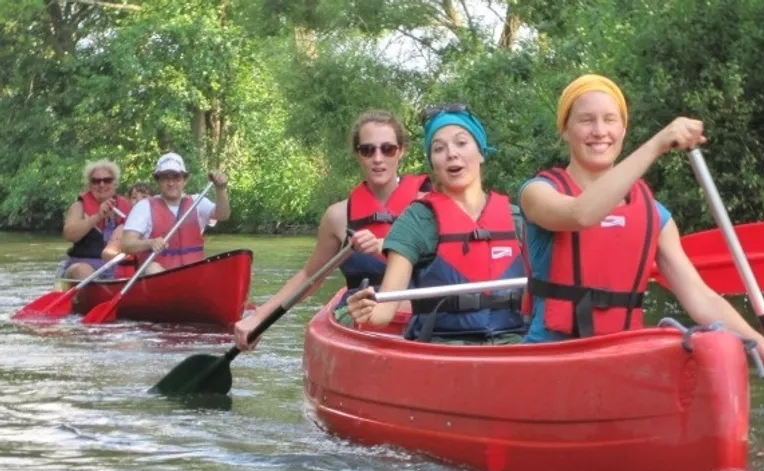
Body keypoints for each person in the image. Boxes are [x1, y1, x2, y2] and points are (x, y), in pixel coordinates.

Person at [518, 74, 764, 384]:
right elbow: (582, 215)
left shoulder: (656, 215)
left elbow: (699, 297)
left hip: (623, 357)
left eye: (610, 120)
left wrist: (761, 343)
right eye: (586, 120)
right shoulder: (537, 193)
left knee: (712, 352)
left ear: (623, 129)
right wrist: (657, 144)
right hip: (551, 359)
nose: (599, 131)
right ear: (565, 130)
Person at [233, 110, 431, 350]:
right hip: (361, 324)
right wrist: (259, 317)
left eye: (387, 149)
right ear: (357, 154)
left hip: (420, 321)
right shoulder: (338, 216)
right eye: (367, 150)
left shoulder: (430, 206)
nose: (378, 158)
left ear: (401, 151)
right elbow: (310, 277)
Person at [345, 105, 526, 345]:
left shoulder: (517, 219)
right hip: (443, 347)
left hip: (514, 343)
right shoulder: (416, 222)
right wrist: (364, 310)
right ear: (433, 162)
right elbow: (383, 314)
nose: (451, 153)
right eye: (439, 148)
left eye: (461, 143)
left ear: (481, 152)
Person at [120, 152, 230, 275]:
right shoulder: (144, 207)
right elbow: (126, 244)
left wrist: (220, 189)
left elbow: (223, 215)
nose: (171, 183)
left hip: (194, 276)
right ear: (158, 180)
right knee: (153, 268)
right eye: (166, 178)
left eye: (176, 178)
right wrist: (150, 243)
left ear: (185, 180)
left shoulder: (197, 202)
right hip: (158, 277)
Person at [61, 159, 133, 280]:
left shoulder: (127, 206)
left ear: (115, 183)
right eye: (96, 181)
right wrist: (97, 216)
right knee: (81, 270)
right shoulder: (79, 207)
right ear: (89, 185)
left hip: (117, 267)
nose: (102, 185)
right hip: (84, 265)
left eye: (107, 180)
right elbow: (69, 235)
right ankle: (97, 291)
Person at [101, 182, 154, 279]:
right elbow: (106, 254)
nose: (139, 200)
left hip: (152, 274)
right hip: (127, 281)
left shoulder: (159, 225)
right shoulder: (123, 229)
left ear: (153, 200)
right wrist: (126, 253)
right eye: (134, 197)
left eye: (144, 197)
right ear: (129, 201)